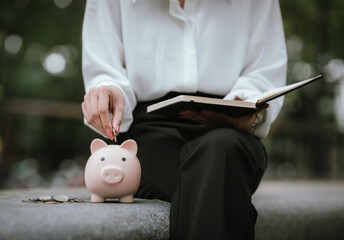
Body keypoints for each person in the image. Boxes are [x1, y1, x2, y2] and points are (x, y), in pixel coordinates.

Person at [81, 0, 287, 239]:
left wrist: (245, 109)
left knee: (223, 149)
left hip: (233, 129)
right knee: (221, 183)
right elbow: (104, 67)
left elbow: (265, 69)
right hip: (149, 132)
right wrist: (108, 91)